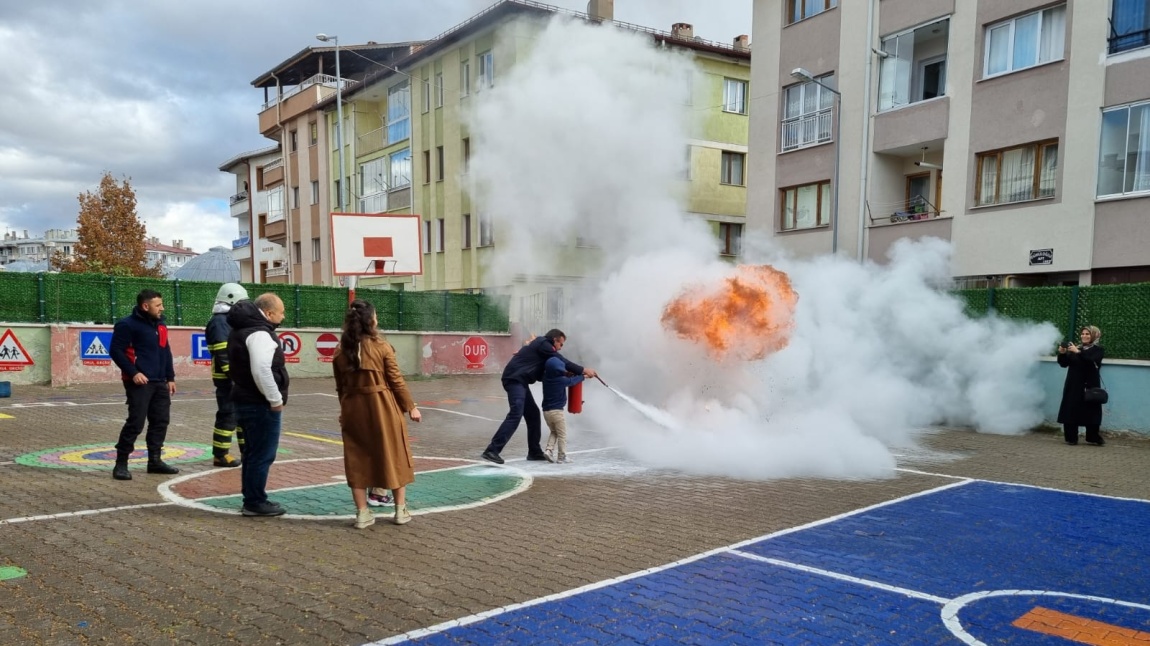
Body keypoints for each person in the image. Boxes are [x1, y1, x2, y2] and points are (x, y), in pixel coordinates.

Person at [332, 300, 422, 528]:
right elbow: (396, 380)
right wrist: (410, 406)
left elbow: (340, 386)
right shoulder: (382, 347)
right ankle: (400, 511)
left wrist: (344, 410)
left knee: (356, 458)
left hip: (353, 408)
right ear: (371, 320)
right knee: (395, 455)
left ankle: (362, 514)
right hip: (382, 406)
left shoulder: (341, 350)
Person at [482, 329, 596, 465]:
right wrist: (583, 370)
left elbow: (544, 375)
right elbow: (562, 360)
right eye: (561, 344)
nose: (561, 348)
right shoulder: (543, 343)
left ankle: (534, 452)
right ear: (555, 340)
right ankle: (492, 451)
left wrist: (566, 374)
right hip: (514, 379)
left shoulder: (542, 352)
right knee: (516, 414)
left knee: (533, 415)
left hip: (521, 381)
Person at [227, 293, 289, 517]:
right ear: (269, 313)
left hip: (245, 400)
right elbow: (261, 370)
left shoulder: (242, 329)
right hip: (259, 403)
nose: (284, 316)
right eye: (281, 312)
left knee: (253, 453)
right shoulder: (260, 333)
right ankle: (255, 501)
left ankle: (252, 498)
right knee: (262, 454)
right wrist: (275, 400)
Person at [109, 289, 179, 481]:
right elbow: (116, 351)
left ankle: (154, 462)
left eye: (162, 304)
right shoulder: (126, 325)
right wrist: (134, 373)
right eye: (158, 305)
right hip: (139, 382)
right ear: (145, 306)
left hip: (160, 382)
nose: (162, 308)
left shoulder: (161, 325)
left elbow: (166, 352)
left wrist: (170, 378)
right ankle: (121, 464)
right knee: (136, 422)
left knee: (160, 421)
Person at [206, 282, 248, 468]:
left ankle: (247, 452)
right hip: (228, 380)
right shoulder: (219, 322)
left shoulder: (230, 321)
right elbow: (223, 355)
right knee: (228, 415)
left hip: (238, 378)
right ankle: (220, 455)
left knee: (241, 416)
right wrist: (236, 376)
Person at [1057, 325, 1105, 446]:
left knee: (1091, 411)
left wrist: (1078, 352)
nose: (1084, 336)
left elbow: (1091, 362)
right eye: (1083, 334)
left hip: (1089, 385)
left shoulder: (1098, 350)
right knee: (1070, 409)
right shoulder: (1076, 348)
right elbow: (1064, 364)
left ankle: (1092, 436)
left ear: (1094, 335)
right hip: (1073, 384)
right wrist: (1062, 353)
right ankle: (1071, 437)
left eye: (1087, 334)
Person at [542, 355, 584, 464]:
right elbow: (572, 381)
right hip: (557, 412)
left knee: (554, 431)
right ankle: (562, 456)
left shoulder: (546, 378)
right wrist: (583, 376)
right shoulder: (561, 381)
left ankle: (549, 450)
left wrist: (566, 374)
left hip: (546, 412)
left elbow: (565, 377)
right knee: (562, 434)